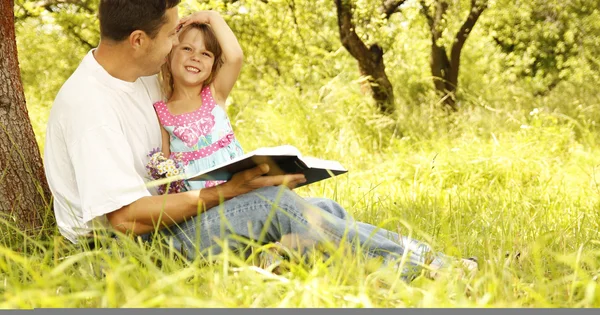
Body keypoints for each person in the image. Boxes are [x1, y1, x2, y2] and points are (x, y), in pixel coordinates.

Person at [43, 0, 476, 281]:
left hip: (167, 224)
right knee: (276, 206)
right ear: (139, 40)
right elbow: (126, 219)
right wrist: (228, 191)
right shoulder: (90, 109)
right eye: (174, 34)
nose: (181, 42)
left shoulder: (137, 76)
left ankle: (418, 259)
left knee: (321, 211)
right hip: (132, 253)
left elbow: (207, 79)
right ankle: (428, 270)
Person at [153, 13, 245, 190]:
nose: (196, 57)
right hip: (202, 207)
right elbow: (166, 175)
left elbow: (235, 57)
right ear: (170, 55)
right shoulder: (163, 114)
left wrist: (211, 17)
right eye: (187, 48)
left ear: (212, 66)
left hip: (239, 193)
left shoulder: (215, 94)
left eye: (206, 53)